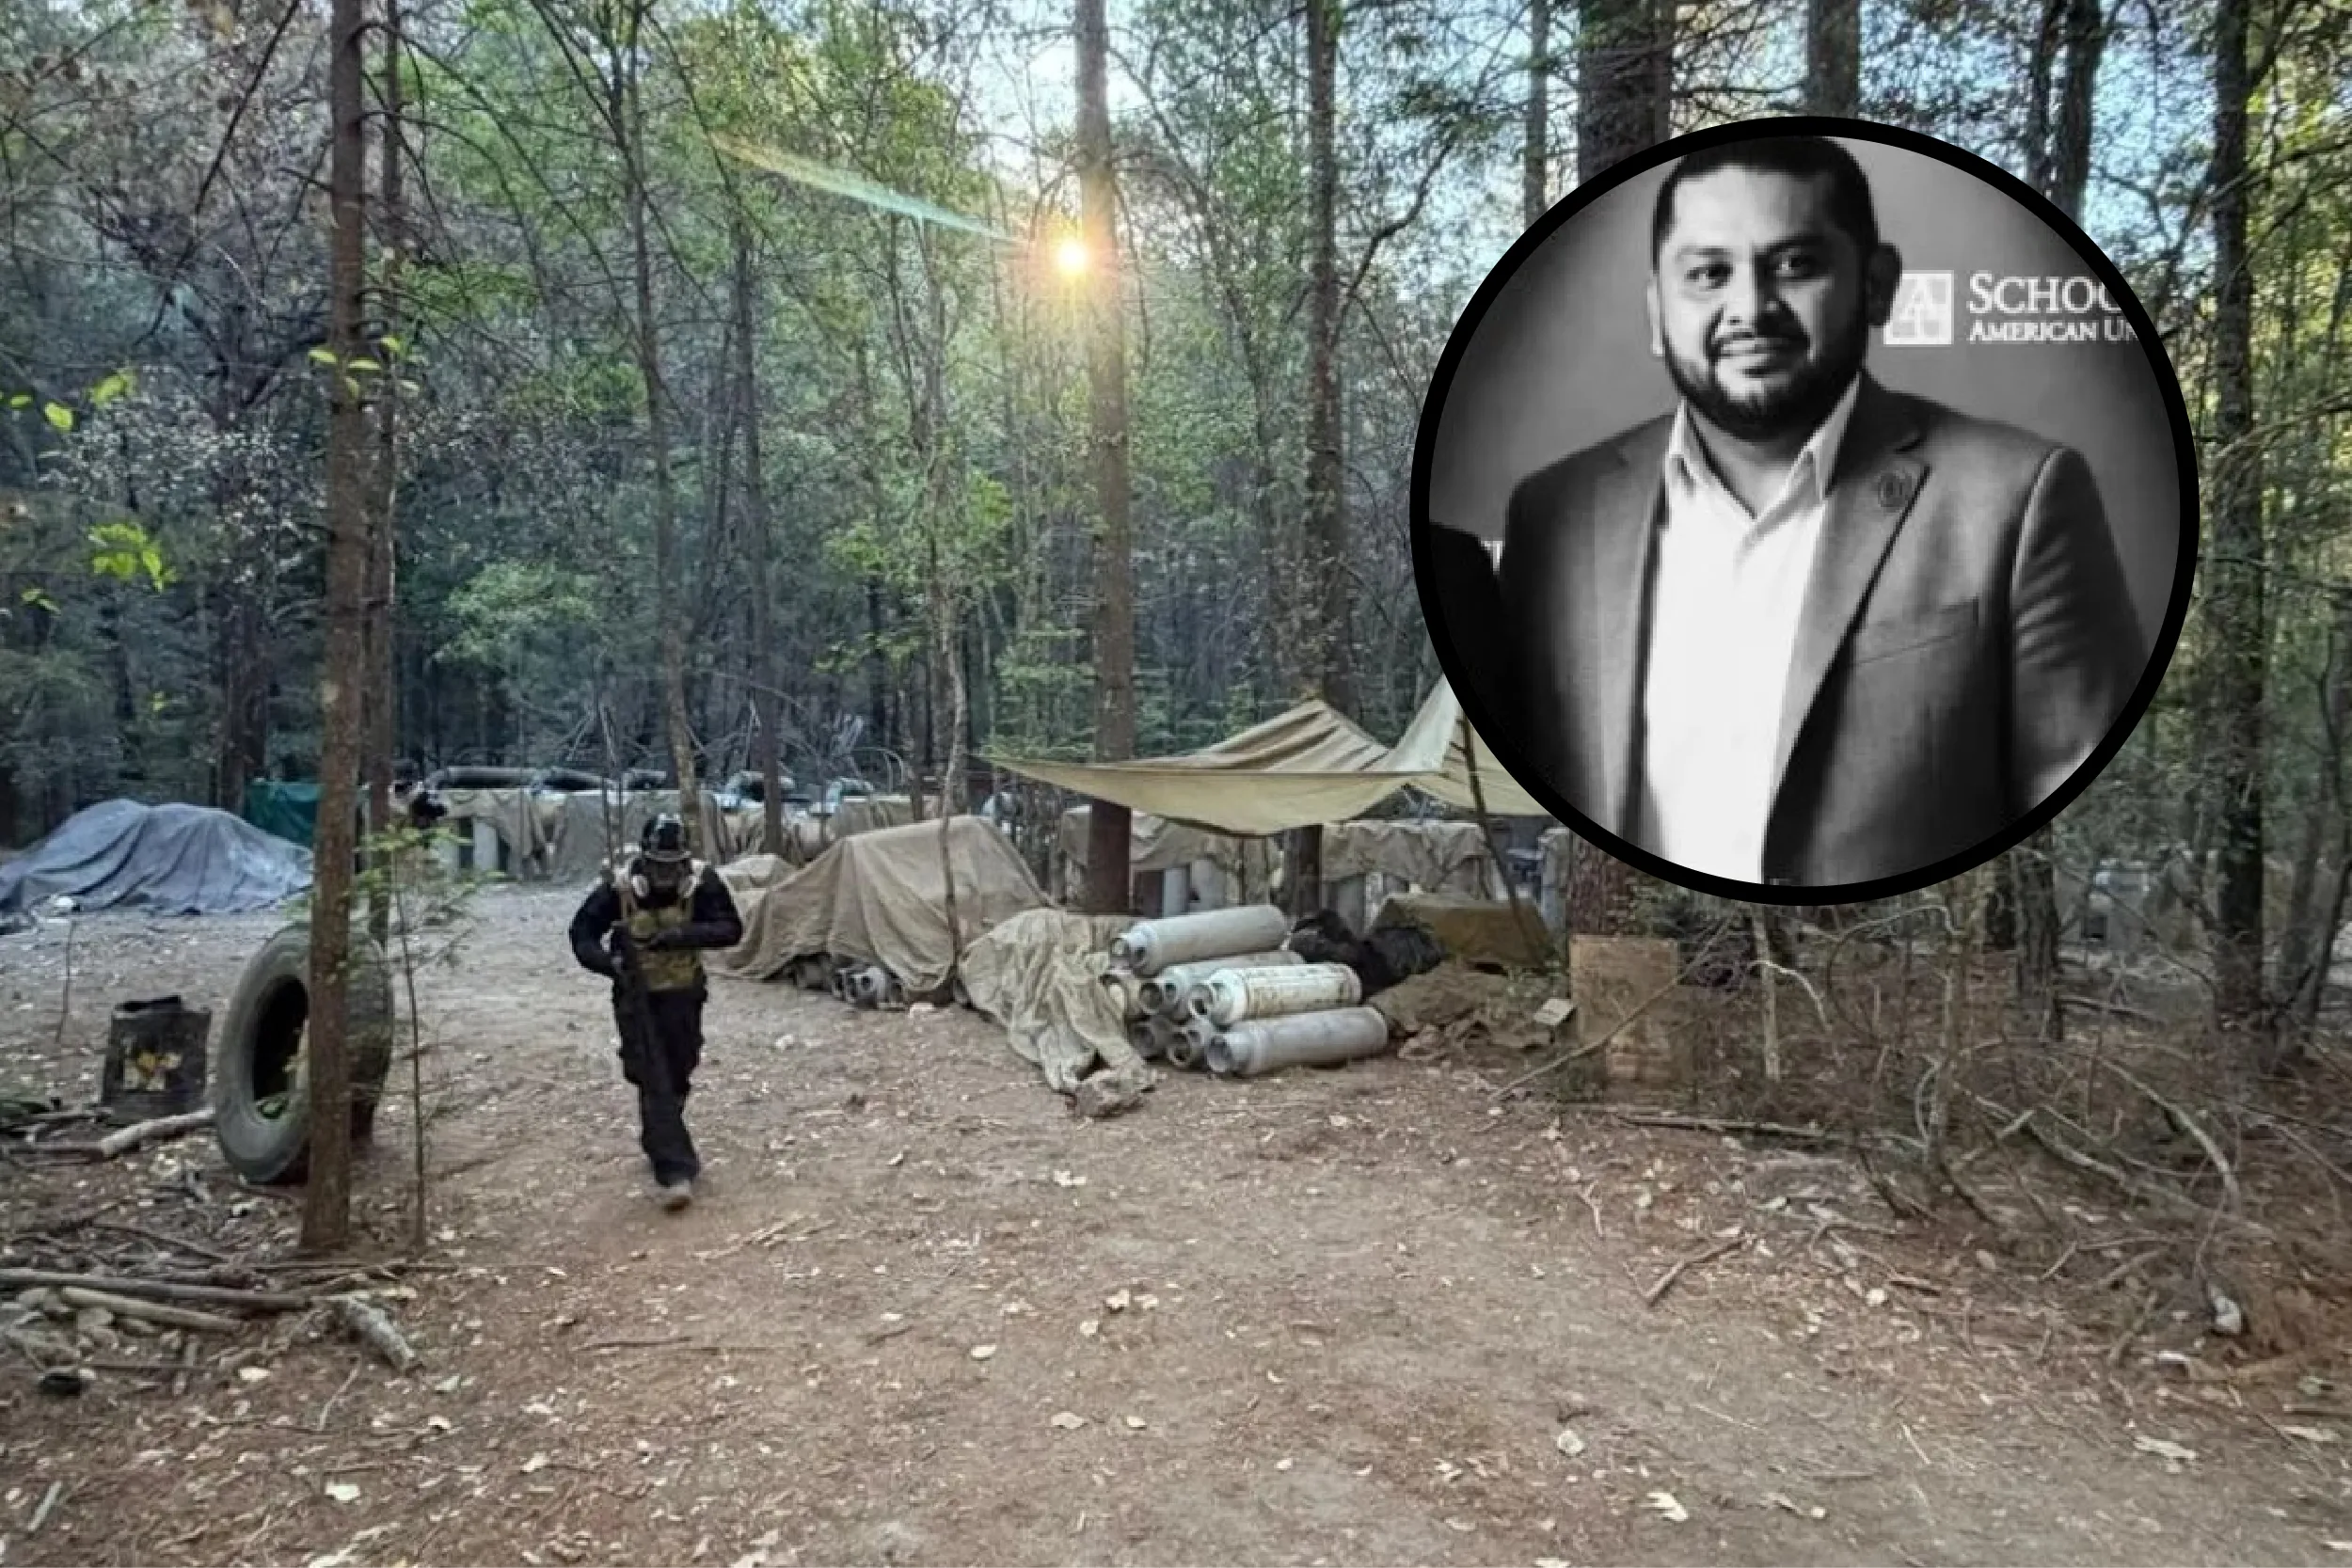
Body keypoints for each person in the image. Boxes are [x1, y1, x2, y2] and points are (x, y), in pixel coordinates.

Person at [1493, 134, 2143, 889]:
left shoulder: (2020, 499)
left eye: (1795, 265)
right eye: (1708, 274)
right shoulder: (1555, 517)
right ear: (1657, 310)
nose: (1750, 309)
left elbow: (2070, 807)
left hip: (1884, 971)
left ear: (1877, 284)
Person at [567, 813, 743, 1209]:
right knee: (651, 1071)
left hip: (684, 994)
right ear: (644, 860)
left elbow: (732, 928)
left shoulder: (702, 882)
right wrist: (607, 963)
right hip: (636, 996)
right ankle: (675, 1169)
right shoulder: (619, 887)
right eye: (659, 866)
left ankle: (661, 1131)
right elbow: (581, 934)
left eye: (673, 866)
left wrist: (682, 936)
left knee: (680, 1067)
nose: (666, 874)